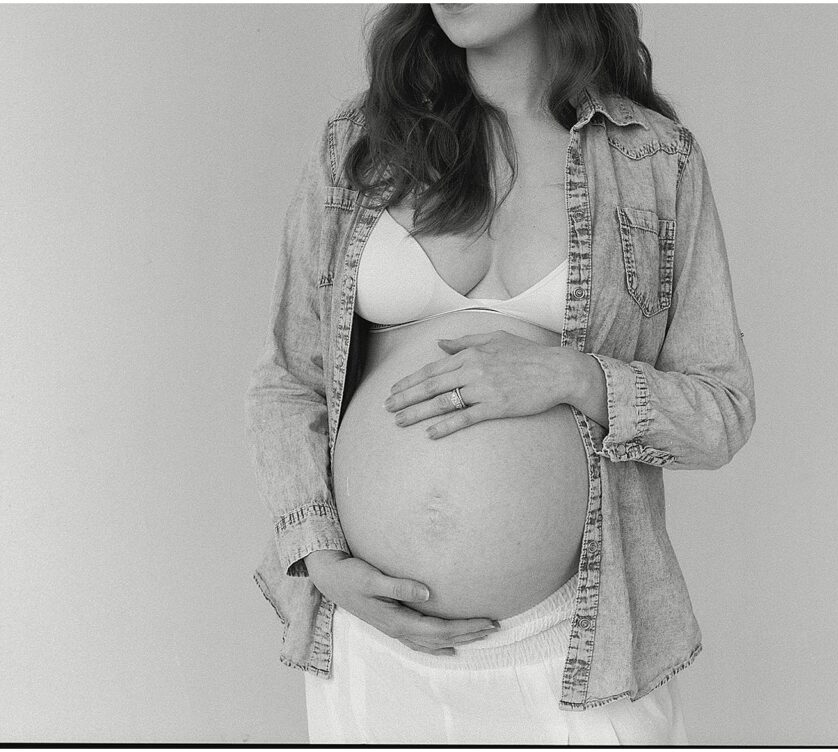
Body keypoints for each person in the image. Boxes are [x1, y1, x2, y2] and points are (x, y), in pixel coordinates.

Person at [244, 3, 756, 745]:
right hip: (377, 645)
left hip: (577, 647)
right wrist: (319, 557)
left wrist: (575, 377)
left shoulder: (654, 160)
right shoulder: (361, 145)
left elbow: (722, 410)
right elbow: (287, 377)